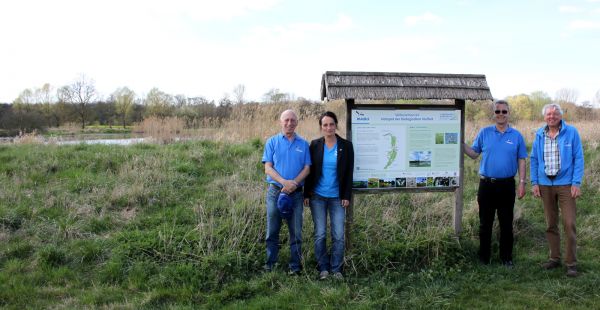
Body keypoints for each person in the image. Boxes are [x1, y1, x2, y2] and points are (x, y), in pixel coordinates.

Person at [464, 99, 527, 267]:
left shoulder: (516, 136)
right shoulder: (484, 133)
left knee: (506, 223)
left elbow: (521, 160)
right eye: (497, 111)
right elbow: (473, 153)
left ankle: (506, 258)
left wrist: (522, 182)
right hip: (486, 186)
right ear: (493, 113)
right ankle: (484, 258)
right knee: (485, 223)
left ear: (508, 114)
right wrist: (460, 143)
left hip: (507, 186)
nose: (500, 114)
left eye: (504, 111)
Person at [530, 103, 584, 277]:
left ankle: (571, 263)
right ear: (544, 117)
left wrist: (576, 183)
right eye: (548, 114)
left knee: (569, 223)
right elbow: (534, 159)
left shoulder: (571, 132)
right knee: (550, 223)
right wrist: (534, 182)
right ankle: (554, 258)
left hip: (566, 184)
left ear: (560, 116)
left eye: (555, 114)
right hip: (545, 185)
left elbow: (579, 158)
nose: (551, 117)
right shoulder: (539, 134)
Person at [304, 111, 354, 280]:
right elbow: (310, 172)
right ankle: (323, 268)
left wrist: (346, 195)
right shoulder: (315, 145)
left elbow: (348, 173)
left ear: (336, 125)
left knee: (339, 234)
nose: (328, 127)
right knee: (320, 233)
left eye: (331, 124)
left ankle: (337, 269)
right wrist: (306, 194)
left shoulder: (346, 146)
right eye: (325, 125)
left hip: (337, 198)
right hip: (317, 197)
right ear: (321, 127)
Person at [262, 109, 311, 275]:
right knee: (272, 231)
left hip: (296, 194)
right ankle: (270, 265)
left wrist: (294, 183)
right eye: (286, 120)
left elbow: (307, 168)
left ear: (296, 122)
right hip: (275, 192)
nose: (289, 123)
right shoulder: (272, 142)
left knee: (296, 232)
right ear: (280, 121)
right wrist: (283, 182)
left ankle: (295, 267)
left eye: (292, 120)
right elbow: (268, 168)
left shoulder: (303, 144)